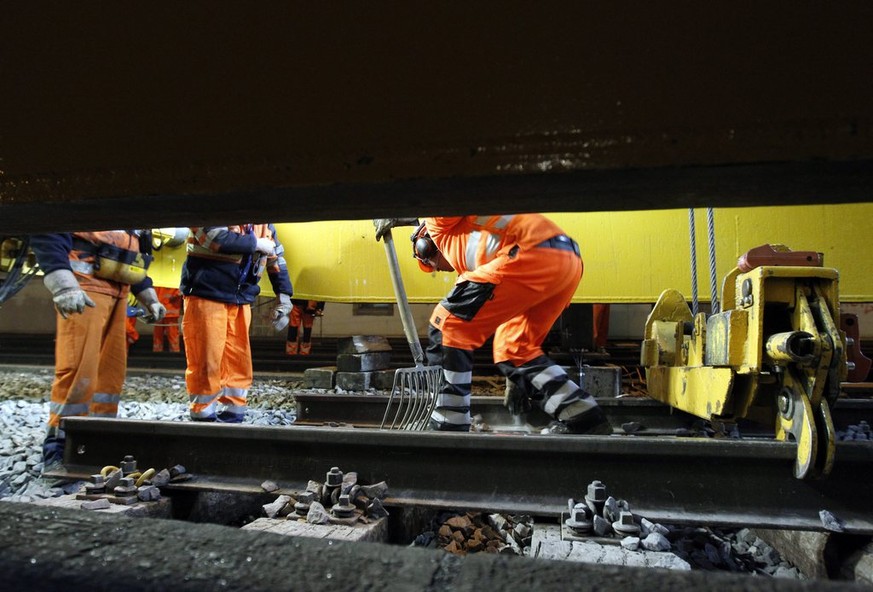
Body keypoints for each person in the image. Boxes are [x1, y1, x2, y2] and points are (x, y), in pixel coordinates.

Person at [374, 215, 611, 434]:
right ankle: (585, 417)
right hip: (566, 259)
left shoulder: (438, 225)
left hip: (527, 252)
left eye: (432, 263)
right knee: (514, 350)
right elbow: (496, 306)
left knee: (447, 324)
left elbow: (444, 194)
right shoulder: (476, 256)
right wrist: (514, 379)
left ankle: (448, 421)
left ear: (426, 244)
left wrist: (398, 211)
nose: (439, 269)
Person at [30, 230, 166, 468]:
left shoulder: (124, 203)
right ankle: (61, 448)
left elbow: (134, 252)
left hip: (118, 292)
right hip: (85, 289)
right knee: (78, 371)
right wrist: (64, 287)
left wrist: (149, 295)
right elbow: (48, 234)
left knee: (110, 376)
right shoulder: (85, 197)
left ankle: (99, 439)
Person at [180, 224, 293, 423]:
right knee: (207, 355)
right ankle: (203, 410)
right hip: (207, 294)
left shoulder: (264, 225)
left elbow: (276, 258)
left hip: (240, 298)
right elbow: (214, 239)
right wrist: (256, 243)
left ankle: (234, 407)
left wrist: (284, 295)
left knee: (238, 356)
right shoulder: (212, 207)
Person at [152, 286, 183, 353]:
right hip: (168, 310)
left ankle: (158, 353)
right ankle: (174, 353)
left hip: (165, 310)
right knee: (166, 335)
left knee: (161, 335)